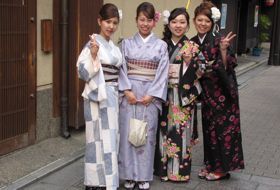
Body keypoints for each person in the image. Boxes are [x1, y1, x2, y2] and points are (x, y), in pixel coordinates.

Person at [191, 2, 245, 181]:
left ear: (212, 22)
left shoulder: (219, 40)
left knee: (223, 132)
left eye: (206, 20)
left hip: (222, 95)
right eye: (199, 20)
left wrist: (222, 50)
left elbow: (230, 65)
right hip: (207, 94)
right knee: (209, 131)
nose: (203, 24)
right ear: (194, 21)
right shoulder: (192, 42)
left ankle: (222, 169)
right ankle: (211, 165)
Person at [118, 2, 169, 190]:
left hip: (149, 97)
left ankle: (144, 176)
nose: (145, 24)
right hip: (130, 94)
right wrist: (126, 91)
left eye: (148, 20)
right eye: (141, 20)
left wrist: (153, 95)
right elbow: (121, 68)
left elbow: (162, 72)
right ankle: (129, 175)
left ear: (153, 22)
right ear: (136, 20)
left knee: (146, 136)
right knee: (128, 134)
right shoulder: (126, 44)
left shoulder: (161, 46)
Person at [154, 7, 204, 182]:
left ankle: (179, 173)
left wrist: (191, 64)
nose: (178, 25)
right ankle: (161, 170)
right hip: (162, 95)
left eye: (182, 22)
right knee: (162, 133)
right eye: (174, 22)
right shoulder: (161, 45)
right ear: (169, 24)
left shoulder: (192, 46)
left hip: (182, 96)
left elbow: (203, 69)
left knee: (180, 135)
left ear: (187, 25)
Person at [76, 3, 122, 190]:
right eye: (107, 22)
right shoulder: (92, 44)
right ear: (99, 21)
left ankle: (108, 181)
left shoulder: (114, 47)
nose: (111, 26)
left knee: (111, 138)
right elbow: (82, 72)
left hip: (112, 95)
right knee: (95, 139)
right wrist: (94, 56)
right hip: (97, 97)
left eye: (114, 22)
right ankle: (95, 182)